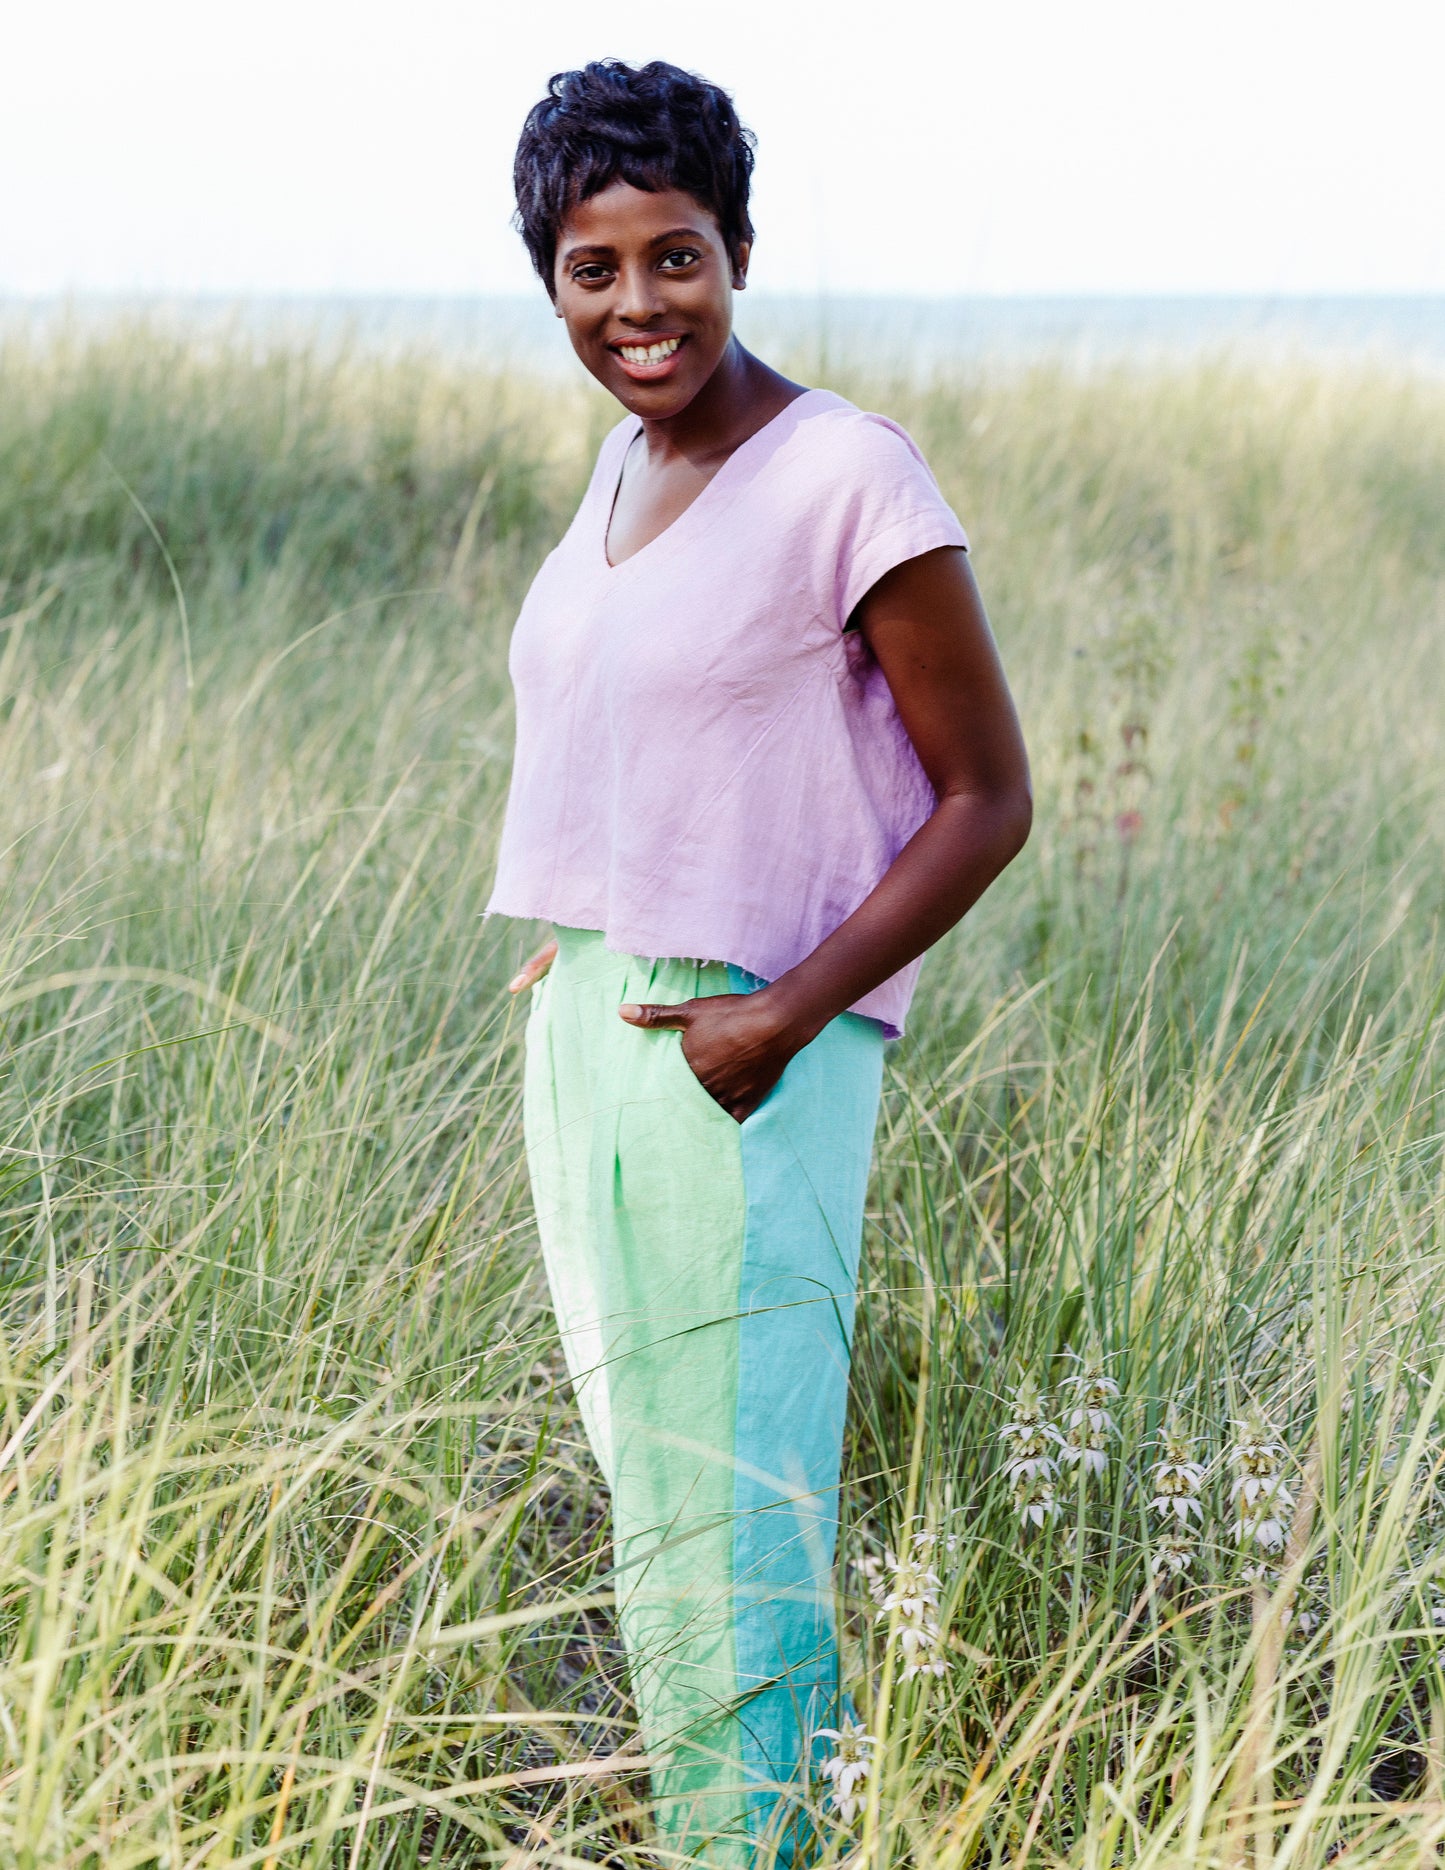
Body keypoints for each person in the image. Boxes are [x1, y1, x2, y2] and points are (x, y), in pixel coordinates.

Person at [488, 58, 1031, 1866]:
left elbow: (985, 796)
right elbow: (639, 738)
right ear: (550, 278)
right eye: (592, 268)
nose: (638, 304)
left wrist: (783, 1013)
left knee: (743, 1499)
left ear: (738, 248)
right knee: (658, 1504)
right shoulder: (620, 468)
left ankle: (764, 1848)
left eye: (675, 256)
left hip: (755, 1050)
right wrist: (572, 952)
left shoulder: (845, 474)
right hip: (593, 1034)